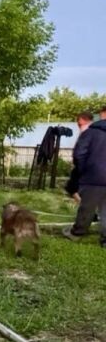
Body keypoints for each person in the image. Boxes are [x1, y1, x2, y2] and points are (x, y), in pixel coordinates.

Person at [64, 105, 106, 247]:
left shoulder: (91, 132)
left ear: (103, 114)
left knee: (87, 207)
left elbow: (79, 154)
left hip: (94, 176)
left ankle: (77, 233)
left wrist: (83, 170)